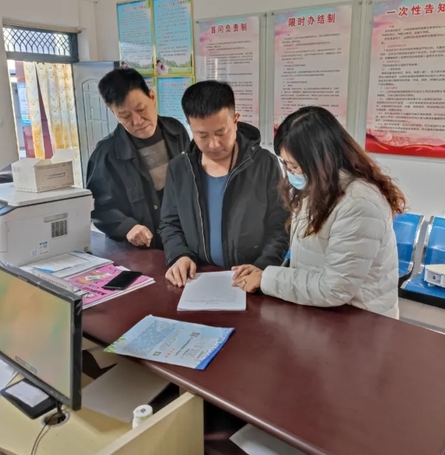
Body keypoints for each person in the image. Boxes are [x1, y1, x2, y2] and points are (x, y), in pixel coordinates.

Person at [233, 106, 406, 318]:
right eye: (286, 164)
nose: (290, 173)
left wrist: (267, 279)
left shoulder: (359, 203)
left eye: (295, 166)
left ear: (321, 161)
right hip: (325, 311)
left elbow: (335, 288)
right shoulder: (318, 187)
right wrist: (265, 274)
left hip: (360, 319)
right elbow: (310, 261)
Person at [159, 80, 289, 287]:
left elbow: (281, 226)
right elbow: (169, 223)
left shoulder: (264, 164)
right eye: (202, 135)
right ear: (190, 126)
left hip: (250, 278)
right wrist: (179, 255)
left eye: (221, 132)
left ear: (235, 121)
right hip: (198, 278)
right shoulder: (180, 169)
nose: (214, 144)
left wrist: (263, 266)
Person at [86, 68, 190, 248]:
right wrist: (127, 227)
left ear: (152, 97)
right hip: (141, 249)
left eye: (141, 109)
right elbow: (98, 208)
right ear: (113, 113)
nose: (137, 121)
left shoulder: (176, 131)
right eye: (125, 116)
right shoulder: (106, 154)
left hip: (182, 239)